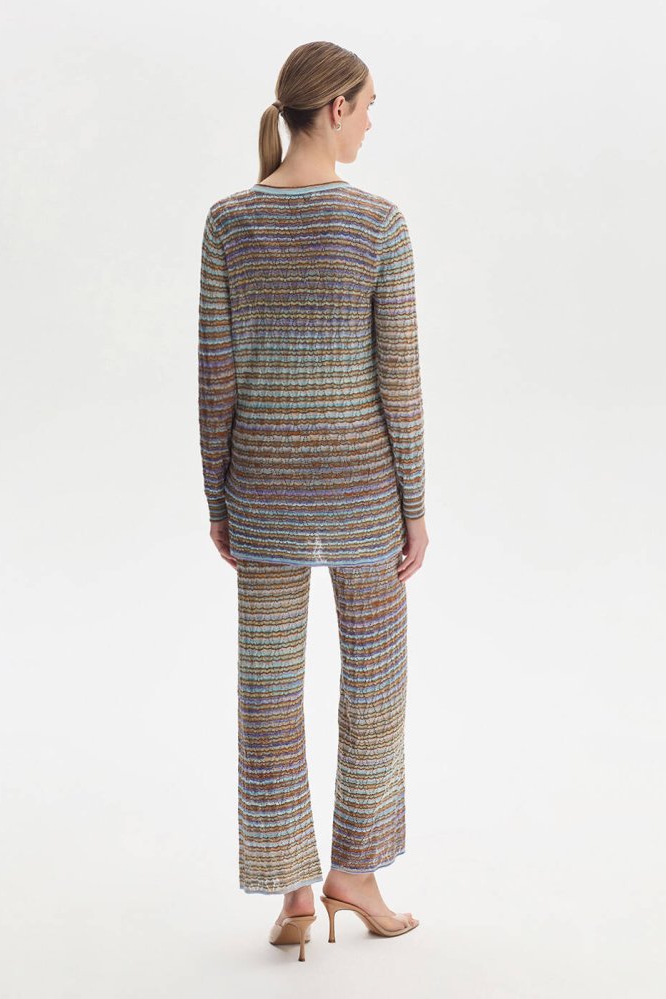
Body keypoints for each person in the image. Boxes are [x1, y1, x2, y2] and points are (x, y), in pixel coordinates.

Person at [197, 41, 428, 959]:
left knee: (268, 690)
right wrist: (417, 503)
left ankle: (295, 888)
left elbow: (216, 376)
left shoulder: (228, 222)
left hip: (261, 490)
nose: (370, 121)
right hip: (365, 489)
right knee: (377, 683)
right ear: (334, 108)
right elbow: (399, 380)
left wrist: (217, 495)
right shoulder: (379, 224)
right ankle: (355, 873)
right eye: (367, 104)